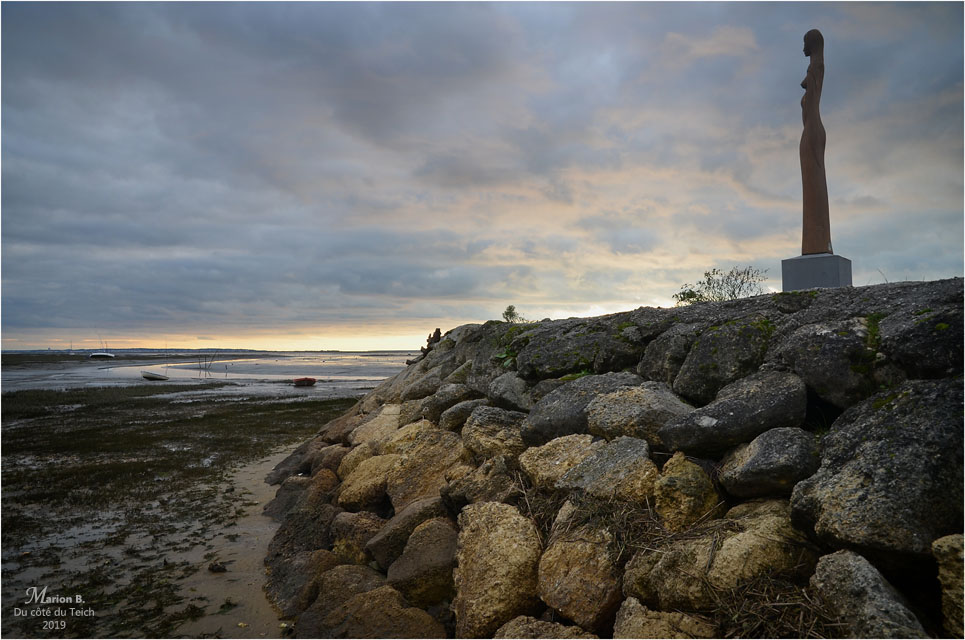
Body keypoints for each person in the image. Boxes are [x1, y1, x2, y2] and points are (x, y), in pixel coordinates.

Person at [800, 29, 833, 255]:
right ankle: (817, 242)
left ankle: (817, 243)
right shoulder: (815, 67)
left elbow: (810, 89)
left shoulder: (815, 68)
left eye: (805, 43)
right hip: (812, 132)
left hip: (812, 132)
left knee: (814, 185)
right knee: (814, 184)